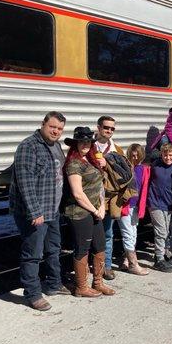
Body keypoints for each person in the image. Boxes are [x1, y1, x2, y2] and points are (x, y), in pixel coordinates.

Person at [9, 111, 71, 311]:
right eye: (53, 127)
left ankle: (53, 284)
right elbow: (24, 182)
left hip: (52, 209)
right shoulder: (28, 146)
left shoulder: (56, 146)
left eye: (60, 129)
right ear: (43, 124)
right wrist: (35, 212)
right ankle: (33, 294)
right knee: (32, 253)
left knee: (53, 248)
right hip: (35, 212)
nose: (56, 131)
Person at [62, 127, 115, 297]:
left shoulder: (91, 160)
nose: (85, 144)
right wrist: (94, 210)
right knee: (82, 248)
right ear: (76, 143)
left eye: (88, 141)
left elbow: (100, 184)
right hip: (79, 212)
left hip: (94, 211)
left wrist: (101, 206)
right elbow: (77, 193)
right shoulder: (73, 163)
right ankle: (81, 287)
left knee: (100, 246)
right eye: (81, 141)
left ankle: (98, 282)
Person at [94, 115, 125, 280]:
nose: (109, 131)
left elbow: (124, 173)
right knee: (87, 236)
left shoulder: (116, 150)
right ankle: (88, 267)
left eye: (112, 128)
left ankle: (105, 266)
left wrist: (109, 165)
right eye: (106, 127)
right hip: (89, 198)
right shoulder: (88, 146)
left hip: (107, 198)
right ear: (99, 128)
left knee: (107, 234)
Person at [148, 143, 172, 272]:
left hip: (169, 204)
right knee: (161, 231)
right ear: (161, 155)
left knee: (166, 231)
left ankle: (163, 253)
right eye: (165, 155)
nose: (168, 157)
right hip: (154, 203)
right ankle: (159, 258)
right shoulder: (155, 166)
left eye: (170, 155)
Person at [118, 144, 150, 276]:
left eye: (137, 154)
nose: (134, 156)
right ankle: (133, 264)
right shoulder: (125, 168)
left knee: (133, 232)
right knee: (127, 234)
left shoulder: (143, 169)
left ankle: (126, 259)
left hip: (136, 206)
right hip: (125, 206)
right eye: (132, 154)